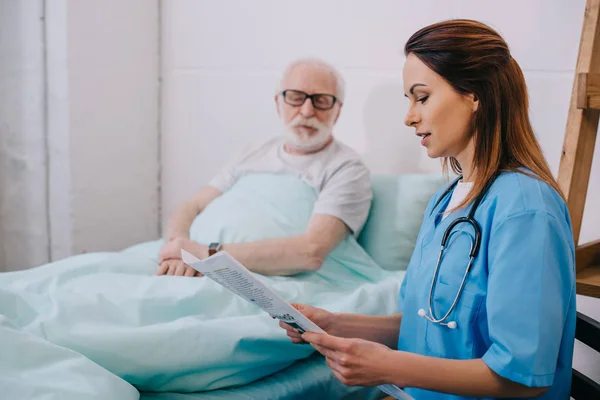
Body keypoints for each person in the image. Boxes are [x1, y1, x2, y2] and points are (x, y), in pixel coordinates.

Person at [280, 20, 576, 399]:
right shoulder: (445, 200)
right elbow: (427, 325)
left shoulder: (526, 210)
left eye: (421, 97)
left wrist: (388, 366)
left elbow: (521, 375)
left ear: (475, 95)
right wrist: (333, 324)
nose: (409, 116)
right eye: (408, 100)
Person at [156, 58, 372, 277]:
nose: (307, 111)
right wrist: (177, 249)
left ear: (338, 110)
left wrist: (206, 255)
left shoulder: (347, 169)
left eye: (322, 101)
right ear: (278, 103)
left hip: (267, 278)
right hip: (193, 264)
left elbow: (311, 252)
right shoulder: (255, 151)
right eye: (296, 98)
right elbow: (192, 205)